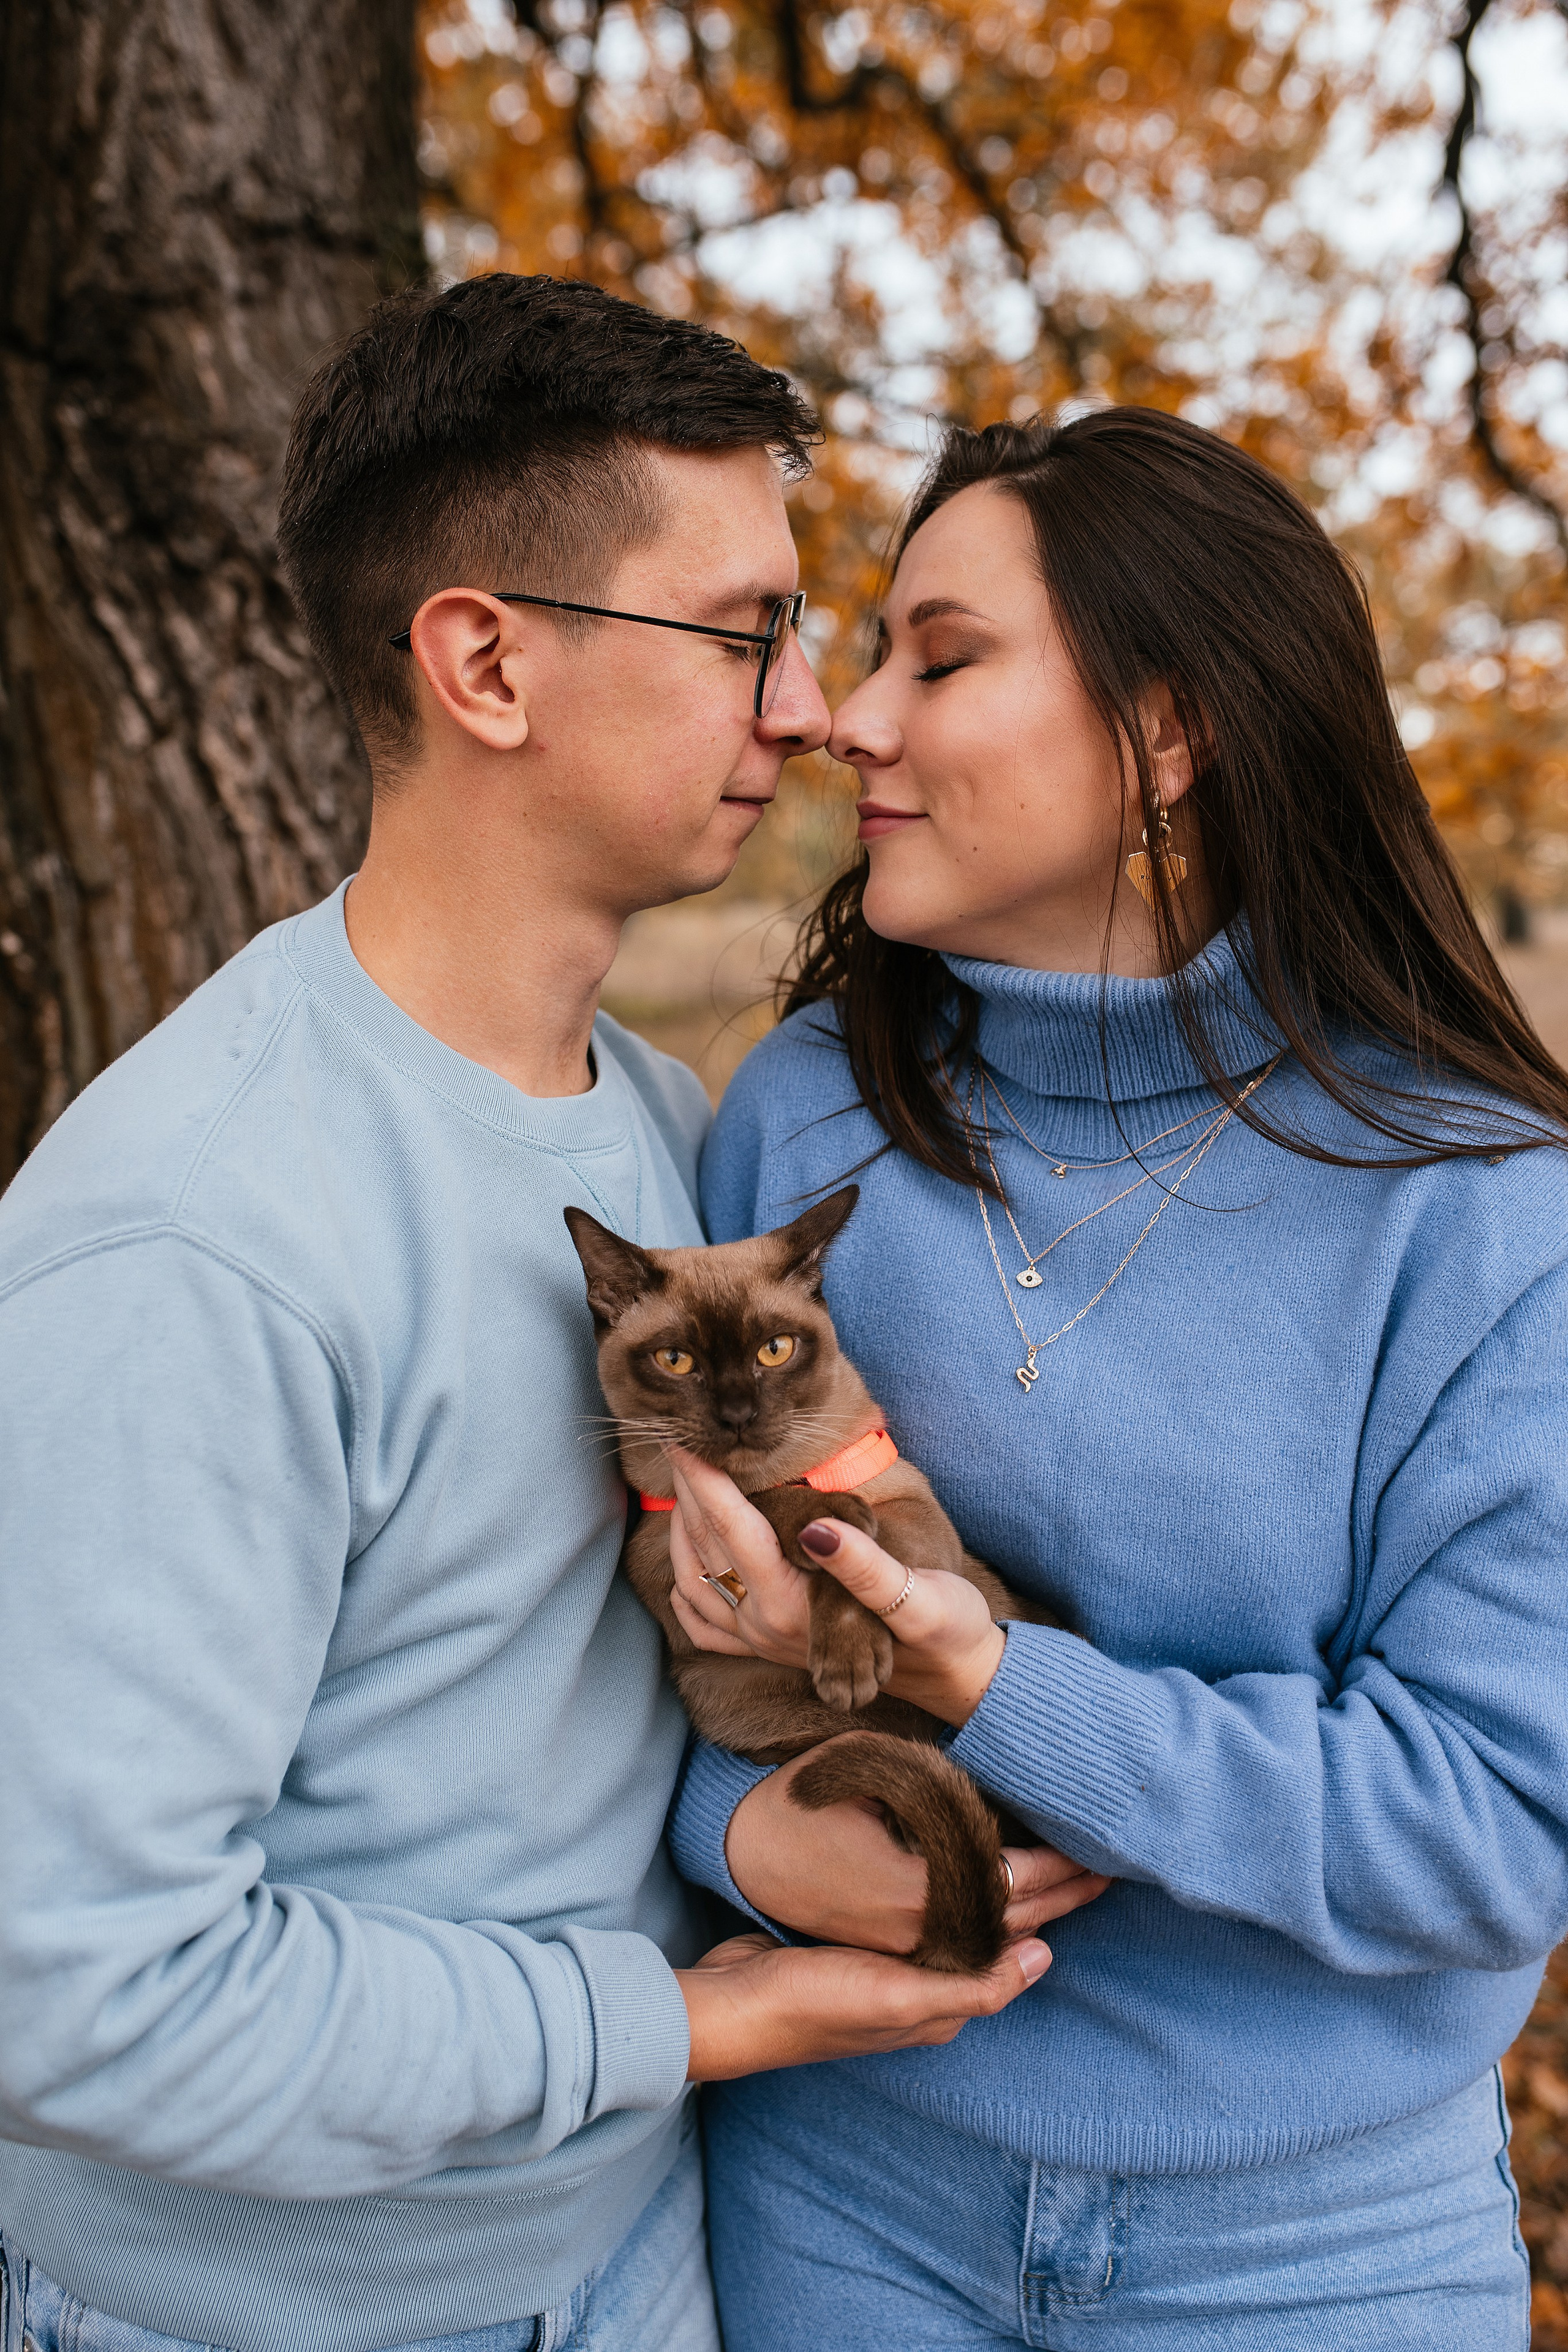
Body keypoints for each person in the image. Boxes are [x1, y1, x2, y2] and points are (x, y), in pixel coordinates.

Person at [0, 277, 1056, 2352]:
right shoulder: (190, 1241)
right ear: (486, 662)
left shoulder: (667, 1137)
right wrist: (683, 2020)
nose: (811, 709)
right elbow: (79, 1992)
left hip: (640, 2253)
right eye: (745, 633)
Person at [666, 407, 1568, 2348]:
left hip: (1316, 2251)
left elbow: (1497, 1826)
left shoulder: (1486, 1213)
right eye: (871, 655)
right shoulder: (801, 1124)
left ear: (1167, 734)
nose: (849, 722)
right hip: (838, 2187)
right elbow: (652, 1639)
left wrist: (995, 1691)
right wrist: (735, 1837)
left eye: (942, 660)